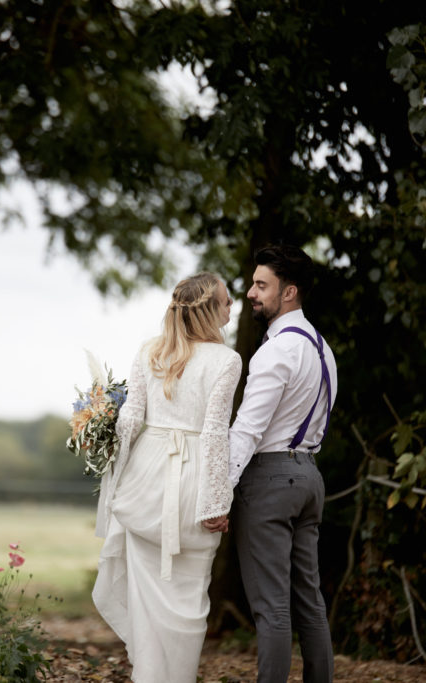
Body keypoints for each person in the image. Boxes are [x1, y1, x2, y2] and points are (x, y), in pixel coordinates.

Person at [93, 271, 242, 683]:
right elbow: (214, 433)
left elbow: (129, 422)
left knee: (146, 596)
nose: (233, 306)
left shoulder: (148, 352)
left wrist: (116, 481)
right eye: (227, 301)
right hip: (193, 475)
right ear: (210, 310)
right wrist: (217, 502)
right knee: (191, 596)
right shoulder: (227, 361)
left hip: (146, 478)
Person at [228, 244, 338, 683]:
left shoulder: (275, 351)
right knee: (309, 601)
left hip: (270, 480)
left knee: (271, 606)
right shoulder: (322, 349)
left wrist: (220, 493)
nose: (252, 293)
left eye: (261, 285)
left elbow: (247, 430)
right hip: (309, 477)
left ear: (288, 292)